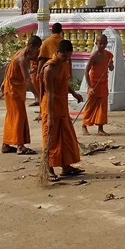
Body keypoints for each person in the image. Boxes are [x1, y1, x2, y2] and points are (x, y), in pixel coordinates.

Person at [41, 39, 84, 181]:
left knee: (66, 137)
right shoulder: (49, 69)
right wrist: (51, 116)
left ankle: (66, 166)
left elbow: (64, 82)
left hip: (62, 106)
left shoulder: (63, 64)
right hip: (50, 107)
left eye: (69, 57)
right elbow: (50, 93)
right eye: (64, 56)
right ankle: (48, 168)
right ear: (57, 52)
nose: (67, 59)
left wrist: (74, 93)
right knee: (50, 139)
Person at [1, 35, 41, 155]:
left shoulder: (22, 52)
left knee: (11, 116)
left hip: (13, 88)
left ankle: (6, 144)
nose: (37, 51)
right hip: (14, 90)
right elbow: (28, 80)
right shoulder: (22, 58)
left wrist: (4, 81)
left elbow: (9, 66)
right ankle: (20, 146)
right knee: (19, 116)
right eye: (37, 48)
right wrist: (37, 95)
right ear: (32, 47)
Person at [81, 34, 115, 136]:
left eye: (104, 43)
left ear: (107, 44)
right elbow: (86, 71)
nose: (102, 46)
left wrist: (110, 65)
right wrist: (90, 87)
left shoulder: (108, 55)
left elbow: (112, 69)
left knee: (102, 106)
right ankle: (84, 125)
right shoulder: (94, 56)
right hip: (94, 83)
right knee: (90, 105)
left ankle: (100, 128)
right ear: (96, 43)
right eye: (100, 44)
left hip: (103, 83)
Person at [33, 22, 64, 109]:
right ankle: (62, 112)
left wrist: (38, 72)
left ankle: (43, 112)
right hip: (61, 70)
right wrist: (70, 72)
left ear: (51, 31)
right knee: (61, 92)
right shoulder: (63, 42)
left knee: (45, 92)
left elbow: (42, 59)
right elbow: (68, 59)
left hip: (48, 70)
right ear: (61, 31)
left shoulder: (46, 42)